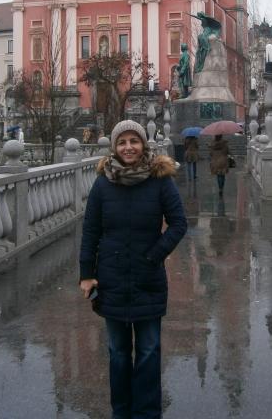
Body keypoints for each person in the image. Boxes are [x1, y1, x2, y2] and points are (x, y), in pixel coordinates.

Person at [79, 120, 187, 419]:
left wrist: (154, 255)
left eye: (134, 141)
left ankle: (148, 412)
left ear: (143, 144)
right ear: (114, 147)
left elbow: (179, 223)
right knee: (117, 352)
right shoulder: (103, 182)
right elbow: (90, 231)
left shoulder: (160, 179)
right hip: (111, 277)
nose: (128, 147)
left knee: (149, 350)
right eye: (122, 142)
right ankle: (121, 411)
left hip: (147, 277)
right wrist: (86, 274)